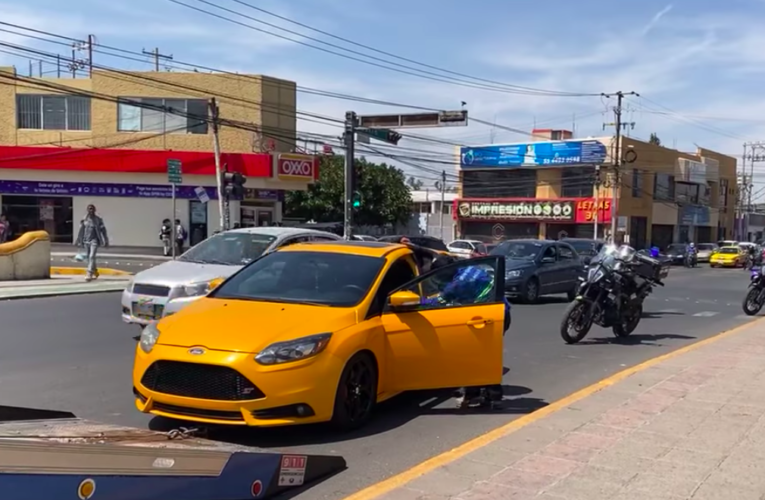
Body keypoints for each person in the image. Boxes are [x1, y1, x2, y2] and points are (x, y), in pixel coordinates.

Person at [423, 253, 510, 409]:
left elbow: (439, 301)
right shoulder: (468, 269)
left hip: (484, 318)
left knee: (476, 357)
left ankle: (485, 395)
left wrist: (417, 301)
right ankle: (481, 393)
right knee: (485, 355)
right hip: (500, 313)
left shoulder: (459, 283)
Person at [75, 204, 109, 282]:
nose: (91, 210)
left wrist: (105, 240)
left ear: (94, 210)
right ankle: (95, 270)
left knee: (91, 256)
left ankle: (89, 273)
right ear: (87, 210)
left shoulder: (98, 220)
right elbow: (81, 231)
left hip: (94, 240)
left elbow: (103, 231)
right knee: (88, 257)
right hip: (86, 240)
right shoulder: (84, 220)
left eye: (92, 209)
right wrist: (78, 240)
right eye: (89, 209)